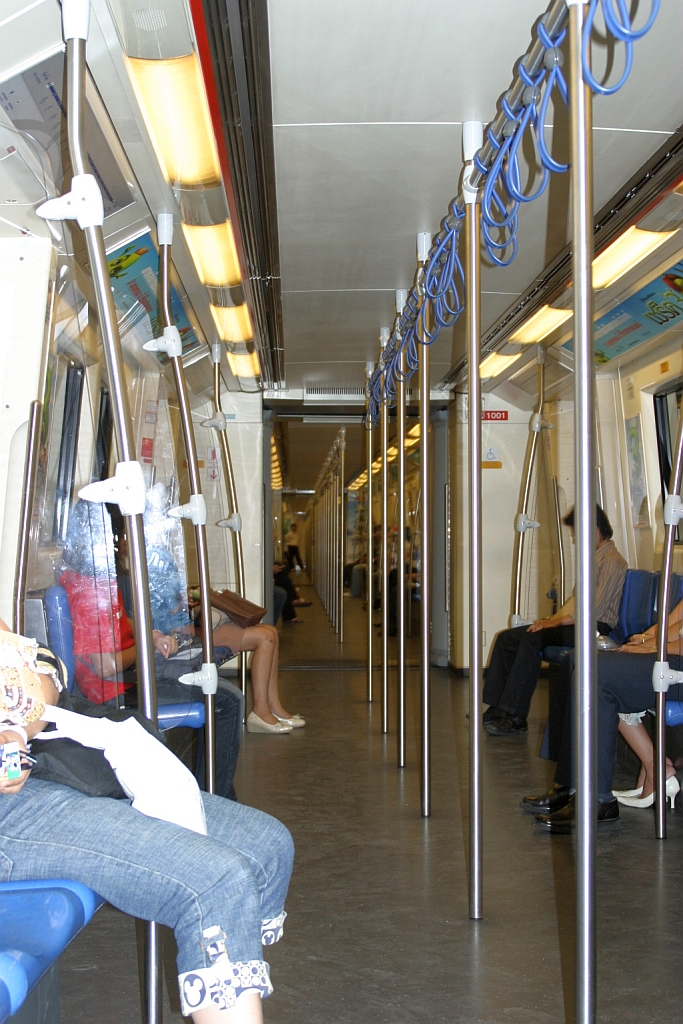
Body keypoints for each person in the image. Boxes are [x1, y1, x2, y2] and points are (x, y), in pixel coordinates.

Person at [0, 619, 294, 1023]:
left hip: (48, 764)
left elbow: (41, 672)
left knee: (268, 845)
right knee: (217, 882)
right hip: (12, 814)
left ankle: (232, 999)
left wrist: (16, 727)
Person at [60, 500, 244, 799]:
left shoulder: (94, 582)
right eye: (119, 537)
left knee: (210, 679)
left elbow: (122, 621)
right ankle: (215, 798)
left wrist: (152, 633)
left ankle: (214, 791)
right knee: (226, 700)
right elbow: (105, 666)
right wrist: (147, 646)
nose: (123, 545)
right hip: (115, 691)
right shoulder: (89, 594)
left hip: (131, 671)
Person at [141, 486, 306, 736]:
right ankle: (261, 711)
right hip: (181, 635)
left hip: (186, 628)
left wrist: (188, 598)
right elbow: (159, 614)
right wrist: (181, 604)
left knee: (271, 631)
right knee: (265, 637)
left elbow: (171, 600)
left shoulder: (159, 558)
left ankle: (273, 706)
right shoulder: (151, 562)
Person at [522, 598, 683, 833]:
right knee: (576, 660)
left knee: (595, 674)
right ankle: (569, 783)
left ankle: (596, 799)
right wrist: (646, 638)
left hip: (676, 664)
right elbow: (672, 623)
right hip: (670, 656)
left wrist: (651, 648)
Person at [483, 505, 627, 736]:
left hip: (595, 628)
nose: (575, 539)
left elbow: (594, 610)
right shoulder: (593, 561)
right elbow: (576, 602)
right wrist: (549, 619)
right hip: (577, 623)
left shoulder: (612, 561)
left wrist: (554, 624)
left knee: (532, 641)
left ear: (595, 530)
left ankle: (515, 715)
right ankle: (499, 706)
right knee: (507, 638)